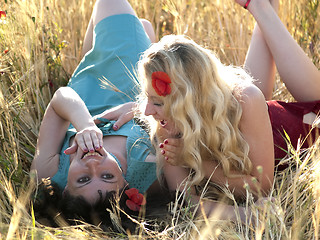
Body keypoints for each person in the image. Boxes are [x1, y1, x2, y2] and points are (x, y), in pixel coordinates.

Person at [110, 0, 320, 210]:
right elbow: (186, 201)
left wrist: (194, 160)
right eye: (147, 98)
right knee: (249, 93)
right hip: (248, 122)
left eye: (156, 102)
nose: (146, 111)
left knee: (252, 94)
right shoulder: (166, 126)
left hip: (305, 123)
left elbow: (261, 187)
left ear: (188, 101)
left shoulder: (245, 100)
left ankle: (260, 7)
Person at [30, 0, 168, 229]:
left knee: (112, 8)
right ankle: (131, 41)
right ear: (126, 183)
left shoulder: (48, 175)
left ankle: (123, 40)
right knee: (133, 27)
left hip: (83, 92)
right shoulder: (149, 170)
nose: (93, 165)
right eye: (107, 176)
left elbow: (61, 99)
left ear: (65, 190)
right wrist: (142, 108)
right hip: (132, 85)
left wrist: (85, 125)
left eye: (83, 179)